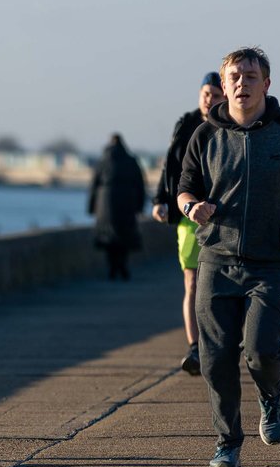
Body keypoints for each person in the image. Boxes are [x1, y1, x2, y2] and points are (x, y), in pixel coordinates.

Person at [177, 47, 280, 467]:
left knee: (261, 349)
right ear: (223, 86)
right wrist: (191, 208)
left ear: (267, 83)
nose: (243, 83)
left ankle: (270, 399)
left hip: (268, 262)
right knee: (215, 358)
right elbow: (184, 187)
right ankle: (227, 443)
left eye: (251, 76)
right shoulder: (204, 135)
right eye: (235, 77)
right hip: (216, 259)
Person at [152, 72, 226, 375]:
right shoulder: (186, 124)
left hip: (222, 217)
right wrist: (160, 199)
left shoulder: (229, 126)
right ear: (200, 95)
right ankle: (195, 349)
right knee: (192, 282)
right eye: (206, 93)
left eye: (215, 95)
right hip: (187, 213)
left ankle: (220, 344)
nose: (209, 99)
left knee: (220, 286)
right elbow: (170, 164)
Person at [88, 133, 145, 280]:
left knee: (108, 237)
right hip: (127, 203)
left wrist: (91, 207)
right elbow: (140, 185)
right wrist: (140, 205)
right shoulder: (131, 161)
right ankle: (122, 266)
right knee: (124, 236)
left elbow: (93, 186)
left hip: (105, 204)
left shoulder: (102, 161)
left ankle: (113, 267)